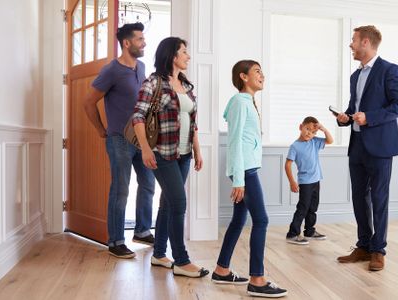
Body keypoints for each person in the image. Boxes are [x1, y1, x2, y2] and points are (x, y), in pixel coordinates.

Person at [131, 37, 208, 278]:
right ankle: (182, 261)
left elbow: (192, 122)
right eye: (184, 52)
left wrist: (197, 149)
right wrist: (145, 149)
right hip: (162, 153)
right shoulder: (154, 82)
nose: (188, 56)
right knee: (178, 203)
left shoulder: (186, 85)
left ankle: (159, 254)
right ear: (173, 56)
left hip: (183, 153)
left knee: (167, 203)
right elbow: (138, 117)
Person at [335, 25, 398, 271]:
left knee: (379, 198)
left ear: (366, 42)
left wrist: (370, 117)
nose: (351, 45)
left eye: (353, 41)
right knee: (358, 198)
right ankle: (364, 245)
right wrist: (344, 117)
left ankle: (379, 250)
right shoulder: (355, 76)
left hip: (380, 146)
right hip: (357, 146)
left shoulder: (390, 70)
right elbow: (353, 106)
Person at [212, 60, 288, 297]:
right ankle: (257, 279)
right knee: (262, 220)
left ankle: (221, 269)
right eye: (257, 71)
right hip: (245, 172)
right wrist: (238, 180)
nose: (262, 75)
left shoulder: (248, 102)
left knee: (238, 220)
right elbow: (234, 141)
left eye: (262, 71)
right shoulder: (239, 102)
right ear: (243, 77)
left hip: (246, 169)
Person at [83, 22, 155, 259]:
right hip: (119, 140)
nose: (144, 43)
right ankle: (115, 241)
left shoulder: (142, 66)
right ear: (126, 43)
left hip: (142, 139)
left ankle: (143, 230)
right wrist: (101, 129)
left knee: (148, 185)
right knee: (121, 189)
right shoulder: (111, 70)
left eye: (144, 39)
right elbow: (88, 102)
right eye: (139, 39)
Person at [285, 116, 333, 245]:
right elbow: (288, 164)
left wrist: (323, 129)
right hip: (305, 182)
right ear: (301, 127)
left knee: (313, 207)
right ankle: (292, 234)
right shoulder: (295, 146)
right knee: (303, 207)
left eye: (313, 132)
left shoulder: (314, 142)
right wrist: (292, 182)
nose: (309, 133)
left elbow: (330, 140)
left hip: (316, 180)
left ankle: (309, 231)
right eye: (307, 129)